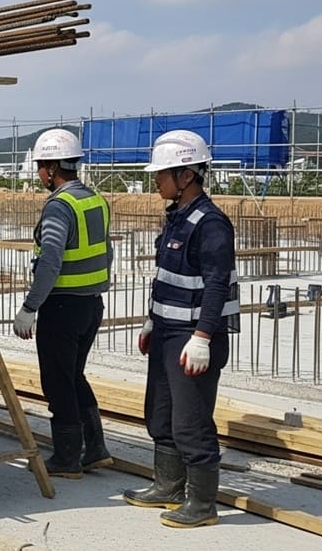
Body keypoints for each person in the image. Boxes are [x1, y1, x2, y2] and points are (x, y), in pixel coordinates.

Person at [124, 129, 238, 529]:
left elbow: (216, 285)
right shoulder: (176, 218)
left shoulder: (210, 224)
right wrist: (152, 319)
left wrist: (203, 337)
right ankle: (169, 486)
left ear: (187, 175)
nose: (155, 180)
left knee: (191, 422)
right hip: (167, 331)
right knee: (161, 414)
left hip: (192, 336)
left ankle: (203, 504)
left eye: (163, 173)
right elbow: (167, 277)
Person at [13, 129, 114, 479]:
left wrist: (30, 306)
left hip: (62, 307)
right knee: (74, 376)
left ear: (53, 167)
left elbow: (51, 260)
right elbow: (107, 252)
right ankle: (96, 448)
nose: (39, 173)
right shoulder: (95, 200)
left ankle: (68, 458)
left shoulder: (60, 205)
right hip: (91, 305)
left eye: (42, 166)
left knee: (57, 381)